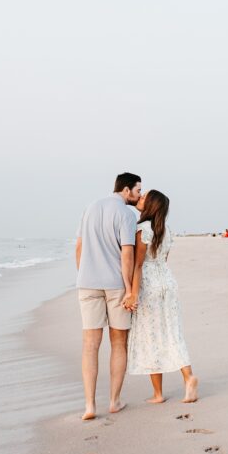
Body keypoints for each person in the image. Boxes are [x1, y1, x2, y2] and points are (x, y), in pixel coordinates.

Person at [75, 173, 141, 421]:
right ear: (126, 190)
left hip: (87, 283)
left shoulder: (90, 207)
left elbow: (79, 247)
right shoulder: (126, 214)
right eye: (137, 190)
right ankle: (114, 401)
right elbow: (127, 254)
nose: (138, 195)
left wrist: (83, 274)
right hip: (115, 285)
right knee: (118, 343)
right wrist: (129, 288)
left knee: (90, 345)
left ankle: (90, 406)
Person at [127, 190, 199, 404]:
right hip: (168, 282)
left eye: (143, 198)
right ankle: (188, 377)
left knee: (151, 335)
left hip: (149, 285)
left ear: (150, 205)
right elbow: (163, 259)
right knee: (172, 332)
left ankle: (158, 394)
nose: (140, 199)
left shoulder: (142, 230)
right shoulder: (166, 230)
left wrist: (132, 293)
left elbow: (139, 265)